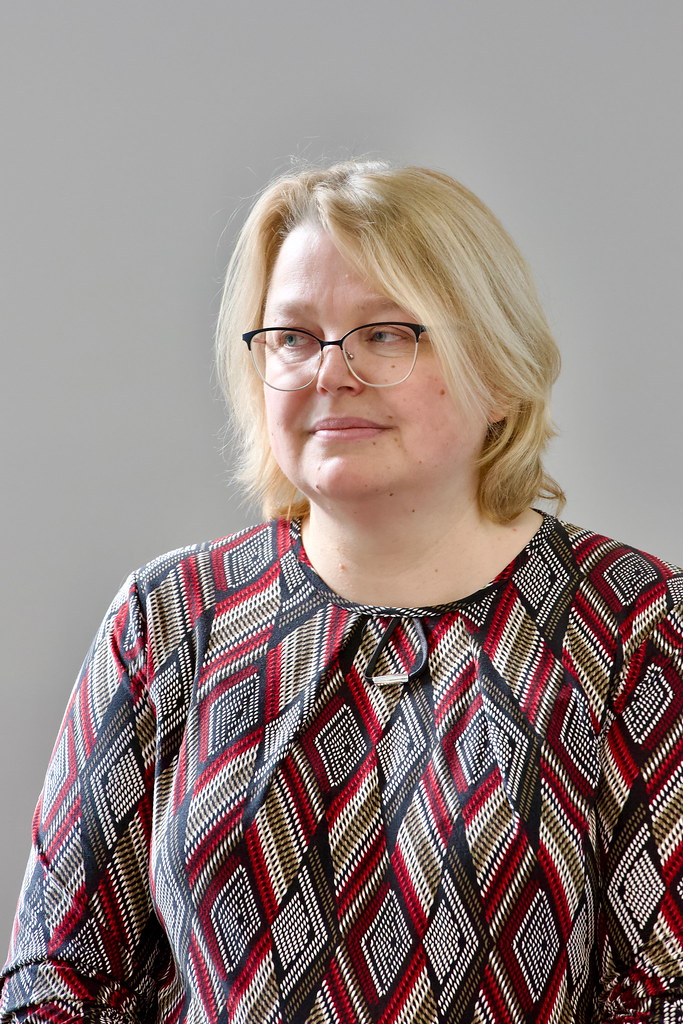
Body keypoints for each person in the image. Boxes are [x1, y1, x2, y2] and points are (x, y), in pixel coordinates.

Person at [2, 161, 683, 1024]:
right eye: (292, 337)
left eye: (385, 334)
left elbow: (668, 989)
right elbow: (61, 983)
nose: (330, 372)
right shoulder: (169, 616)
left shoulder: (634, 622)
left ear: (500, 373)